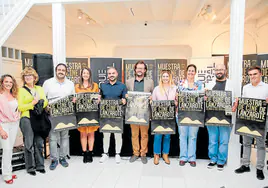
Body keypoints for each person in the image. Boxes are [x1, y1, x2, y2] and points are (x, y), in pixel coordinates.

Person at [234, 66, 268, 180]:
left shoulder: (266, 87)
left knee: (261, 145)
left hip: (261, 120)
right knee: (246, 143)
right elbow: (244, 102)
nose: (253, 76)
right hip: (247, 119)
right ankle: (245, 165)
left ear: (260, 74)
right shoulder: (246, 87)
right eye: (251, 75)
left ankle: (259, 168)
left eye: (255, 74)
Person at [43, 63, 75, 170]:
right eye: (59, 70)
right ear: (56, 71)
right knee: (52, 137)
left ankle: (62, 157)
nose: (61, 71)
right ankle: (54, 159)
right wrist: (47, 107)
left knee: (65, 136)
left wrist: (74, 100)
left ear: (66, 72)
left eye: (63, 70)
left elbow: (73, 97)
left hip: (66, 113)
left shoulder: (70, 84)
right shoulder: (48, 83)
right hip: (53, 114)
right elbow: (44, 98)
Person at [18, 67, 48, 176]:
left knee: (39, 143)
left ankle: (40, 165)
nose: (28, 77)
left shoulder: (39, 88)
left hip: (39, 119)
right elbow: (20, 107)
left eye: (30, 75)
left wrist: (40, 103)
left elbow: (45, 101)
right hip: (26, 119)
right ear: (24, 78)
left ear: (34, 77)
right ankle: (30, 167)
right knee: (29, 144)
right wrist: (33, 103)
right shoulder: (21, 90)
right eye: (26, 76)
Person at [205, 64, 233, 171]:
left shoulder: (230, 84)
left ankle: (221, 161)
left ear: (225, 70)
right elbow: (205, 98)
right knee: (212, 140)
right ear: (214, 71)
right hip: (211, 116)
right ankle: (213, 159)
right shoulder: (209, 83)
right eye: (217, 70)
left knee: (224, 140)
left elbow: (234, 99)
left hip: (225, 117)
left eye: (221, 69)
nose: (219, 71)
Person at [126, 61, 154, 164]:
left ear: (145, 70)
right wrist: (126, 96)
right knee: (134, 134)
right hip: (133, 113)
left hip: (145, 113)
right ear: (135, 69)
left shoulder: (150, 82)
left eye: (142, 68)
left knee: (144, 134)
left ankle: (143, 154)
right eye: (138, 68)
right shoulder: (129, 82)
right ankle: (135, 153)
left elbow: (152, 95)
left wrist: (151, 97)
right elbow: (126, 95)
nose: (140, 70)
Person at [99, 67, 127, 164]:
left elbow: (124, 99)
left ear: (117, 74)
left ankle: (117, 154)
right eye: (109, 73)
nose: (111, 75)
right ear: (108, 75)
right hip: (106, 115)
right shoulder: (102, 86)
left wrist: (124, 101)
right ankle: (105, 153)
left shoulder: (122, 86)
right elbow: (100, 98)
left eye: (113, 73)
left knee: (117, 136)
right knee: (106, 135)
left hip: (117, 115)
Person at [177, 64, 203, 167]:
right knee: (182, 136)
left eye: (193, 71)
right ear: (186, 72)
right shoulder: (181, 83)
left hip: (195, 115)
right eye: (189, 71)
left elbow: (201, 97)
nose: (191, 73)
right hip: (183, 114)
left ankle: (192, 157)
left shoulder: (199, 84)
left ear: (195, 73)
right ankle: (183, 157)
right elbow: (178, 97)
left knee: (192, 136)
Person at [152, 70, 177, 165]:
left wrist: (176, 103)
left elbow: (177, 101)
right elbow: (153, 102)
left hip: (170, 116)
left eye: (167, 76)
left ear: (169, 77)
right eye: (164, 76)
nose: (165, 78)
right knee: (158, 136)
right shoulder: (156, 89)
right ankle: (156, 155)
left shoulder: (174, 88)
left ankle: (165, 154)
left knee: (167, 136)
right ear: (161, 78)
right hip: (158, 116)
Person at [75, 68, 99, 163]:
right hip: (81, 113)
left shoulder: (95, 85)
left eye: (87, 73)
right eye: (84, 73)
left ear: (90, 75)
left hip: (92, 112)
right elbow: (74, 98)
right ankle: (84, 153)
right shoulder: (77, 86)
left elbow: (97, 98)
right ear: (81, 74)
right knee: (83, 134)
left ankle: (90, 152)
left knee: (91, 133)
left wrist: (98, 99)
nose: (85, 74)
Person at [0, 74, 20, 184]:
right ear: (2, 82)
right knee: (6, 149)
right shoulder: (0, 96)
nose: (8, 84)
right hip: (4, 125)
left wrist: (17, 115)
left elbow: (16, 108)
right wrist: (1, 130)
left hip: (14, 123)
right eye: (6, 82)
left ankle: (9, 171)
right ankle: (7, 175)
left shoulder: (13, 94)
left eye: (10, 82)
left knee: (10, 149)